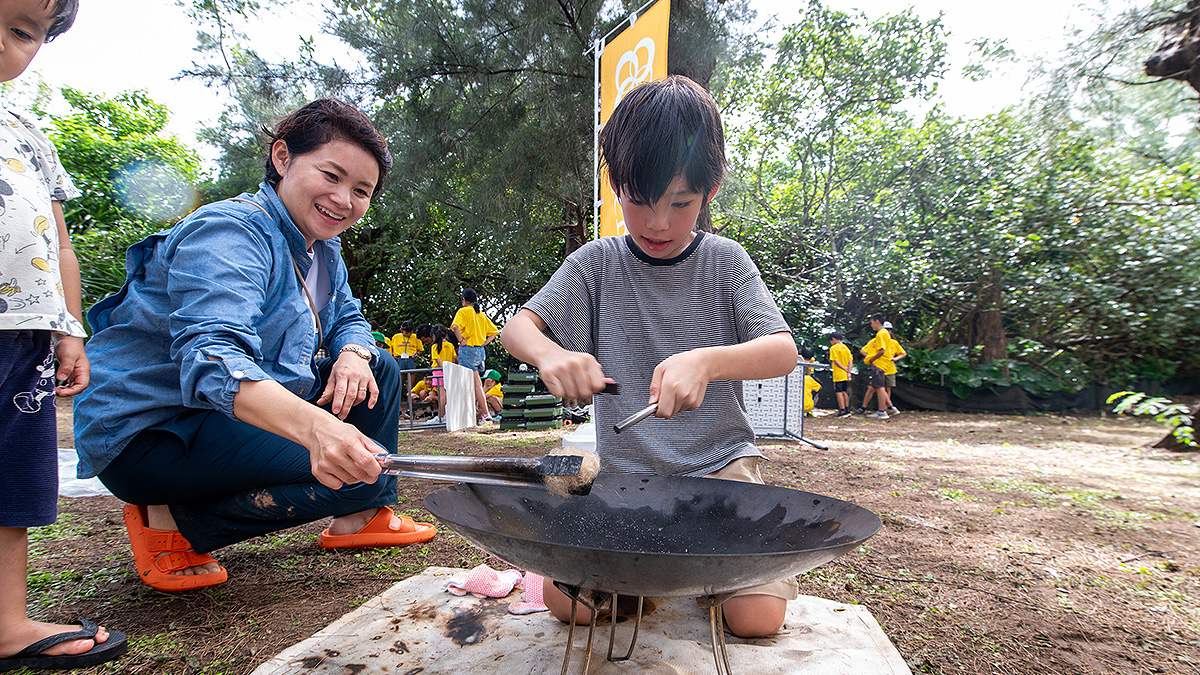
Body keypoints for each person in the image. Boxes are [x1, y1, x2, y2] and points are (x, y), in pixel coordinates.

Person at [73, 99, 436, 594]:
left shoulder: (324, 252)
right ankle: (171, 523)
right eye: (330, 176)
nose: (343, 200)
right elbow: (212, 359)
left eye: (361, 191)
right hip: (155, 429)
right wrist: (319, 430)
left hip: (221, 420)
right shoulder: (230, 231)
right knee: (360, 471)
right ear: (283, 158)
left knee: (382, 368)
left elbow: (348, 317)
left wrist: (352, 352)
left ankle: (358, 517)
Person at [501, 75, 799, 638]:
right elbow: (520, 327)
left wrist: (708, 361)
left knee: (756, 620)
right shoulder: (597, 263)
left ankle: (710, 572)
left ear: (709, 192)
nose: (658, 222)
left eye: (680, 203)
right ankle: (660, 578)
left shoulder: (726, 262)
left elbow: (781, 351)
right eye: (639, 202)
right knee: (569, 607)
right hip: (629, 478)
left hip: (722, 467)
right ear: (615, 185)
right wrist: (548, 356)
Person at [0, 1, 129, 669]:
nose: (3, 42)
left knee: (13, 475)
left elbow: (58, 241)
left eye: (22, 32)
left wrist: (68, 328)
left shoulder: (26, 131)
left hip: (22, 335)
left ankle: (5, 618)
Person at [451, 288, 499, 423]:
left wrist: (461, 341)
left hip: (468, 350)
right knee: (473, 383)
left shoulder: (463, 311)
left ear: (464, 300)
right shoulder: (481, 315)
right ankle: (476, 412)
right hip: (480, 351)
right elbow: (495, 332)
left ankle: (485, 414)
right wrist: (484, 343)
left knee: (475, 384)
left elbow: (455, 327)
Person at [859, 314, 895, 419]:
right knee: (879, 387)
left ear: (877, 321)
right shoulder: (884, 333)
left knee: (879, 388)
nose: (871, 325)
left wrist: (871, 359)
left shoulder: (881, 333)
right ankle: (884, 410)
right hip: (883, 363)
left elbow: (882, 351)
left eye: (872, 323)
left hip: (879, 363)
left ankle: (881, 411)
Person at [420, 323, 457, 425]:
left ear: (434, 335)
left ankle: (441, 416)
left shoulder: (435, 346)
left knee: (442, 395)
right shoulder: (450, 345)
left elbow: (438, 361)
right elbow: (454, 359)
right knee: (447, 395)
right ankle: (445, 415)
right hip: (449, 371)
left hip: (439, 372)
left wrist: (443, 369)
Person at [386, 320, 422, 397]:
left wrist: (417, 353)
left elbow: (420, 350)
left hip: (411, 359)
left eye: (410, 332)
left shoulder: (415, 337)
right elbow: (390, 348)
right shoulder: (396, 337)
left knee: (411, 385)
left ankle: (411, 404)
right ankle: (398, 403)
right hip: (399, 359)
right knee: (399, 383)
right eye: (406, 332)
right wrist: (393, 354)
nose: (409, 334)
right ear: (401, 330)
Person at [882, 321, 906, 416]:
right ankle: (887, 407)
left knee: (887, 389)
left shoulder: (894, 343)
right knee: (880, 388)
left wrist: (895, 358)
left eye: (889, 330)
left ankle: (887, 407)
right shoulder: (878, 341)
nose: (888, 332)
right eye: (886, 330)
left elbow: (903, 353)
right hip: (880, 367)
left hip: (890, 369)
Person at [828, 331, 853, 417]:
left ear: (833, 339)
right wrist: (848, 371)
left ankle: (842, 410)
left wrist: (843, 368)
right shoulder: (845, 347)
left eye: (830, 341)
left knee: (838, 392)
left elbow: (835, 360)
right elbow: (850, 360)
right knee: (844, 391)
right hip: (846, 374)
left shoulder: (834, 348)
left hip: (838, 374)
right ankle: (847, 409)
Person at [801, 347, 821, 416]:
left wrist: (808, 377)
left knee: (812, 392)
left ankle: (810, 409)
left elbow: (809, 369)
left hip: (809, 375)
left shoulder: (812, 359)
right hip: (801, 374)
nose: (807, 360)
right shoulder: (799, 359)